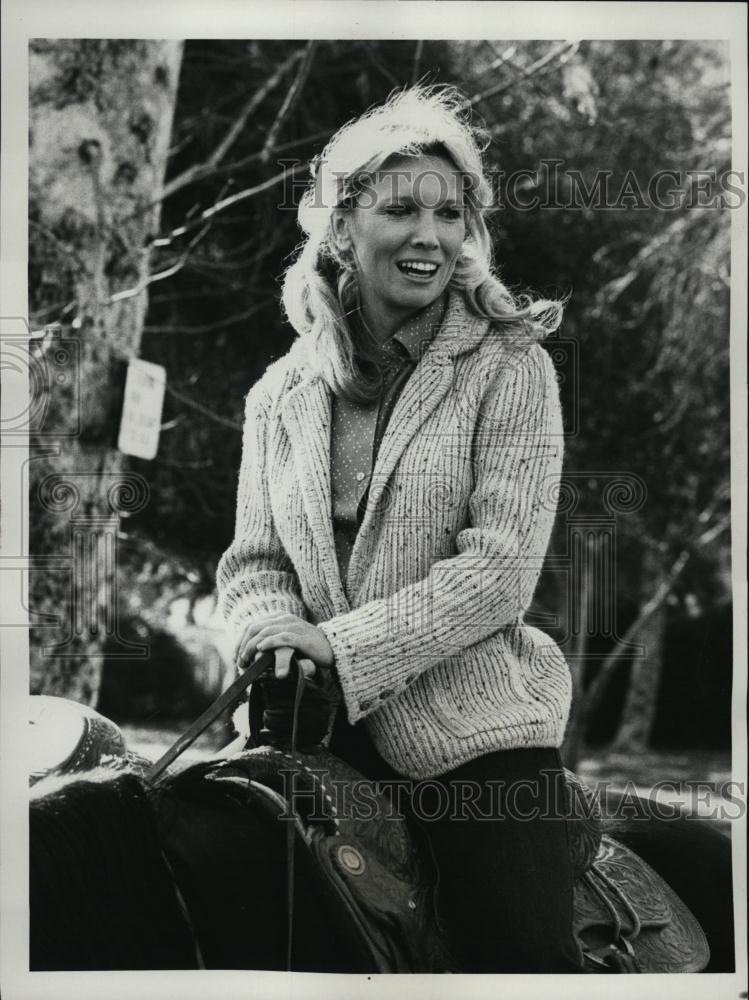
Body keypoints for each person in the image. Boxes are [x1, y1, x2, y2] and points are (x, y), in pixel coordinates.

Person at [217, 84, 583, 973]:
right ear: (340, 228)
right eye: (400, 209)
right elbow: (254, 561)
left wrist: (334, 645)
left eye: (449, 213)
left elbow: (498, 572)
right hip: (302, 735)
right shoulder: (279, 394)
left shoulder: (509, 368)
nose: (429, 235)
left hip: (474, 742)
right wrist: (266, 630)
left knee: (516, 956)